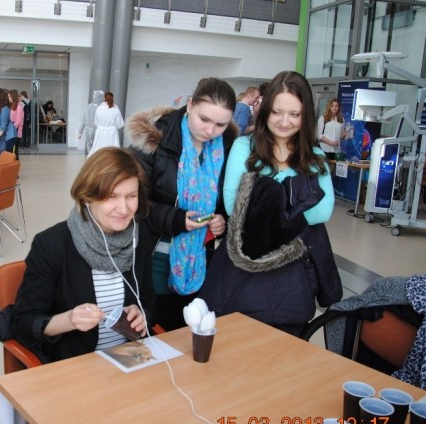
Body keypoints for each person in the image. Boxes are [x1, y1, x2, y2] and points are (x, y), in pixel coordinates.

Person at [200, 71, 342, 336]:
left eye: (294, 114)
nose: (285, 121)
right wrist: (297, 196)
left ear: (305, 116)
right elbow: (234, 207)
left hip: (293, 283)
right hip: (242, 273)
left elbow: (324, 210)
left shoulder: (315, 155)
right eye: (277, 112)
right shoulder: (245, 147)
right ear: (265, 110)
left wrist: (265, 197)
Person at [12, 147, 156, 363]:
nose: (124, 209)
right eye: (111, 197)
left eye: (131, 196)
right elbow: (23, 322)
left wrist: (142, 315)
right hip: (76, 364)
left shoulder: (139, 236)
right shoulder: (52, 245)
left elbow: (149, 303)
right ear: (87, 197)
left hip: (128, 359)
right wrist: (69, 320)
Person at [127, 77, 239, 331]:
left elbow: (229, 200)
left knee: (186, 334)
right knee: (153, 333)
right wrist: (175, 219)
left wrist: (222, 220)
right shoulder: (154, 140)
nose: (210, 131)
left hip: (200, 260)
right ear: (190, 104)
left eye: (220, 124)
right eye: (204, 119)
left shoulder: (227, 147)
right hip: (153, 258)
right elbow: (131, 202)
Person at [88, 91, 124, 158]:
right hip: (112, 133)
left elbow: (96, 122)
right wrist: (113, 126)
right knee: (112, 151)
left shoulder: (99, 109)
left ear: (104, 98)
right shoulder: (116, 110)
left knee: (99, 148)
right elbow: (120, 124)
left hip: (100, 132)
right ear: (112, 98)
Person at [78, 90, 104, 155]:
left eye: (94, 95)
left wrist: (80, 132)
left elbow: (83, 120)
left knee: (90, 150)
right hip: (99, 131)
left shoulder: (88, 106)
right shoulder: (103, 108)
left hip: (89, 132)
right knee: (98, 150)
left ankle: (91, 159)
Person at [8, 89, 24, 158]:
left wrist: (11, 128)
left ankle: (15, 163)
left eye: (10, 97)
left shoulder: (19, 107)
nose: (9, 98)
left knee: (14, 151)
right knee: (10, 150)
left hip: (15, 130)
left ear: (13, 97)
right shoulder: (10, 106)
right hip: (11, 130)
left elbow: (18, 121)